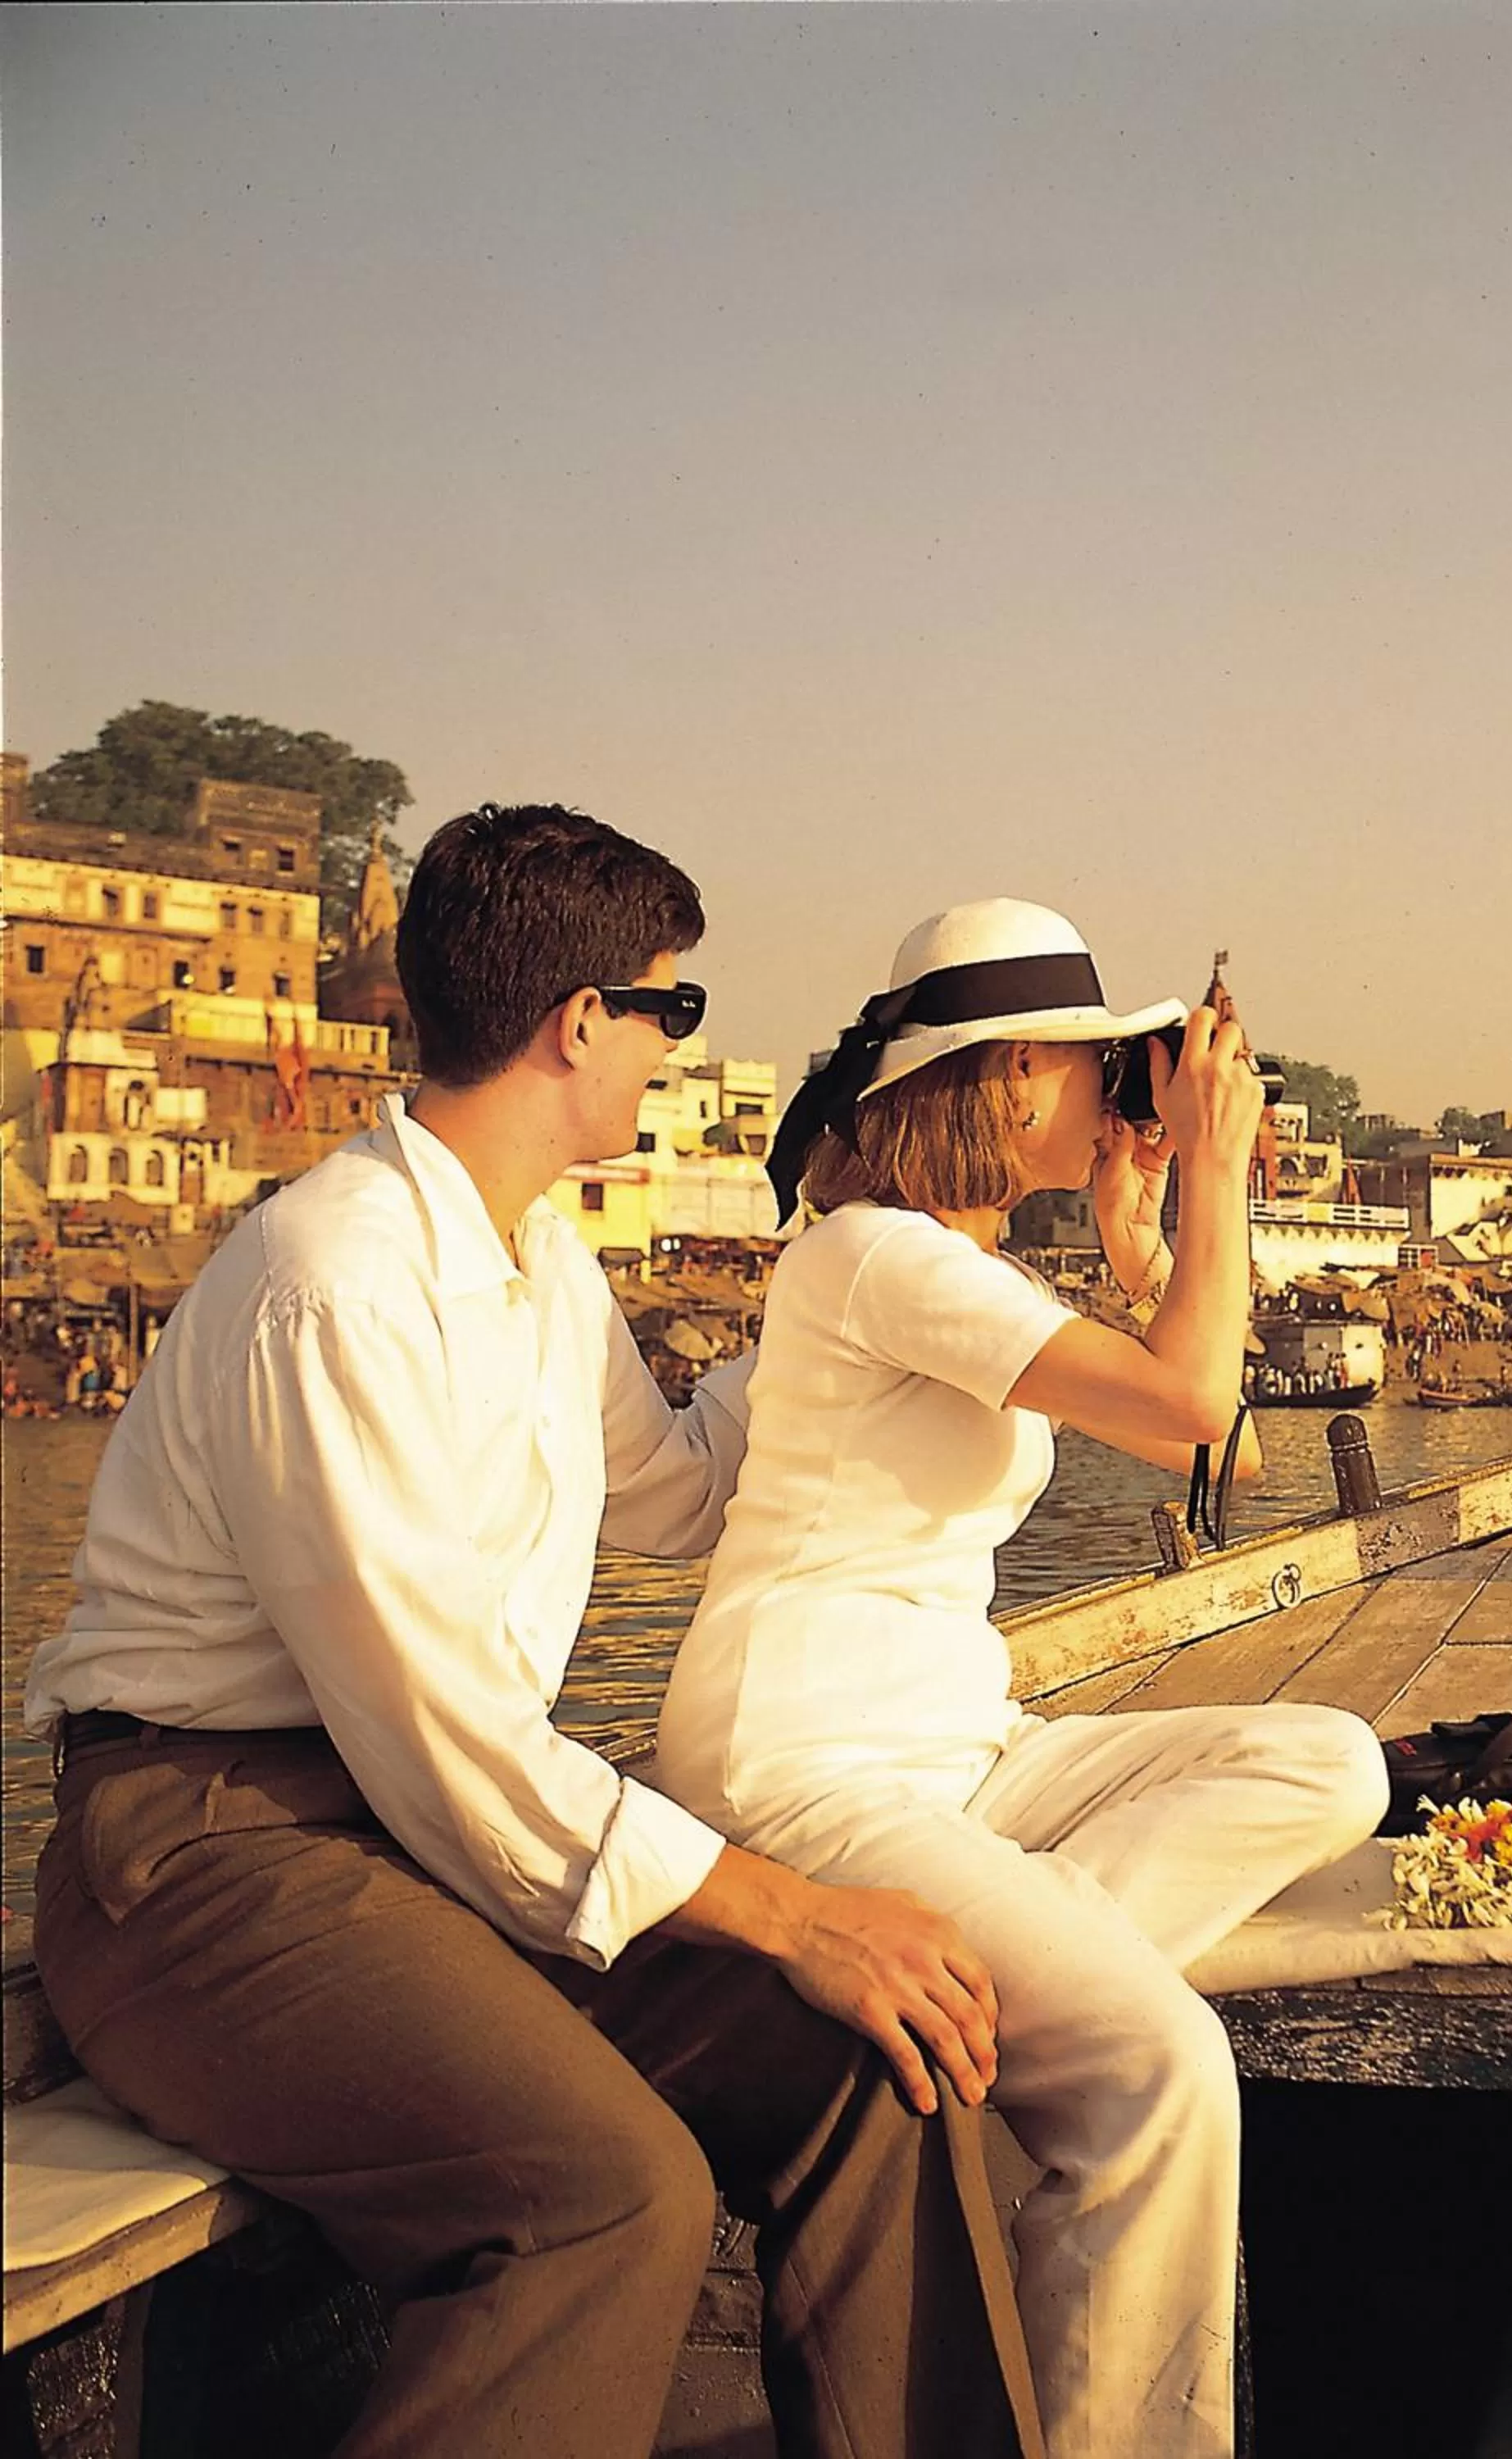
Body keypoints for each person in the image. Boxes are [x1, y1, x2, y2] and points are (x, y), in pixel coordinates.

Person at [25, 805, 1042, 2459]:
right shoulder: (337, 1285)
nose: (671, 1054)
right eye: (672, 1012)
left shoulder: (539, 1266)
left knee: (882, 2063)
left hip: (412, 1841)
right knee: (607, 2197)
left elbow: (692, 1497)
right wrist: (791, 1911)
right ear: (584, 1023)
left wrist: (844, 1265)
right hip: (211, 1856)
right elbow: (445, 1747)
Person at [656, 898, 1390, 2459]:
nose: (1122, 1089)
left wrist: (1145, 1255)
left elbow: (1227, 1451)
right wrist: (1208, 1173)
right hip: (804, 1762)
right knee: (1162, 2072)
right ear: (1001, 1078)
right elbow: (1201, 1407)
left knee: (1333, 1760)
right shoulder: (875, 1257)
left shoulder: (954, 1267)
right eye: (1093, 1063)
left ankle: (1009, 1984)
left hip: (954, 1745)